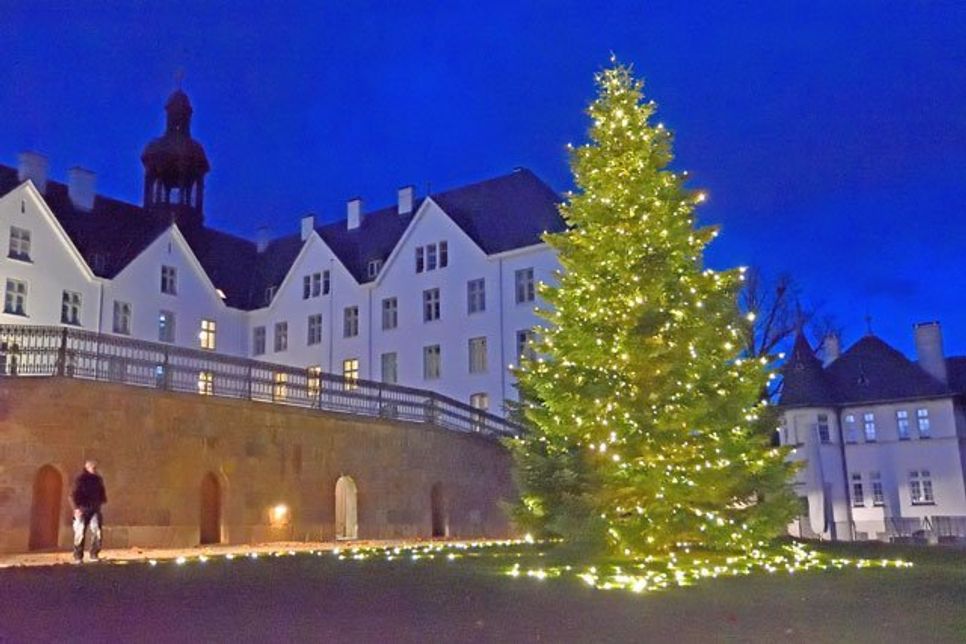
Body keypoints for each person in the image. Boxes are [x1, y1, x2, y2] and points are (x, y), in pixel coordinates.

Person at [71, 460, 107, 563]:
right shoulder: (81, 479)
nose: (95, 470)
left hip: (95, 509)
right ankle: (78, 556)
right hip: (82, 509)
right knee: (80, 532)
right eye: (93, 468)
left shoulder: (98, 480)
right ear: (87, 468)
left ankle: (94, 554)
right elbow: (73, 495)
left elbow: (101, 492)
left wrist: (100, 502)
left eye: (95, 468)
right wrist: (76, 508)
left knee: (97, 531)